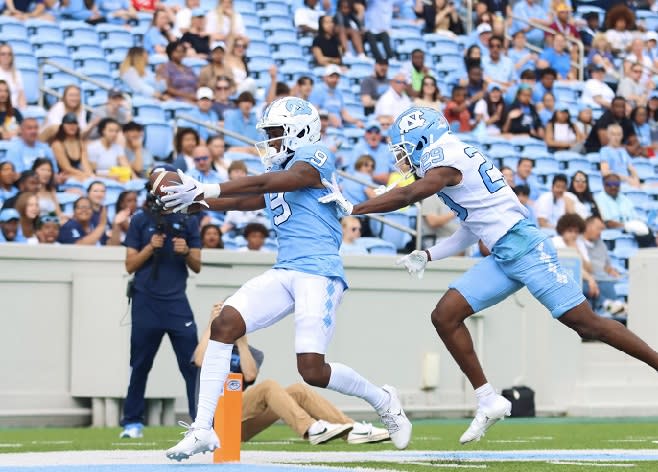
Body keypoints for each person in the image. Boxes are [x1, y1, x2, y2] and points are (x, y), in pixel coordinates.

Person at [318, 106, 658, 444]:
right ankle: (488, 399)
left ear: (422, 140)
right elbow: (471, 228)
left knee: (586, 323)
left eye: (404, 149)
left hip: (525, 247)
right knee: (445, 316)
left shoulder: (444, 160)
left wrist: (354, 207)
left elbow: (409, 194)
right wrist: (428, 254)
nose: (403, 159)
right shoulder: (452, 157)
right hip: (503, 253)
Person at [159, 96, 412, 460]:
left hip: (319, 271)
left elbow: (292, 178)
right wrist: (196, 201)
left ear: (300, 131)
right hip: (287, 269)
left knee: (312, 369)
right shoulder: (282, 169)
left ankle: (382, 399)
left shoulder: (315, 156)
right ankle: (202, 428)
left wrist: (208, 188)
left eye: (276, 133)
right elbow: (250, 201)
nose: (271, 141)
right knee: (226, 323)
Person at [194, 302, 389, 444]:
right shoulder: (211, 345)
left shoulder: (253, 353)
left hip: (237, 425)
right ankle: (311, 427)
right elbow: (199, 361)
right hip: (212, 422)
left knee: (297, 390)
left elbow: (250, 374)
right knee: (269, 386)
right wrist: (212, 328)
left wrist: (242, 342)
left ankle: (353, 429)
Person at [119, 177, 202, 439]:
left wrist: (186, 251)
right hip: (146, 302)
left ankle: (200, 422)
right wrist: (149, 248)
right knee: (140, 364)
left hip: (177, 302)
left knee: (192, 365)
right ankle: (132, 421)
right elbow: (130, 265)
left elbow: (197, 265)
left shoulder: (189, 219)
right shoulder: (140, 219)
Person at [51, 113, 94, 182]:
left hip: (78, 174)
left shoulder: (80, 143)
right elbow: (66, 168)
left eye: (74, 124)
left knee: (94, 180)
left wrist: (90, 175)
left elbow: (85, 164)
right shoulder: (57, 144)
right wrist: (84, 174)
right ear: (62, 126)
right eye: (68, 124)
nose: (72, 126)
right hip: (63, 176)